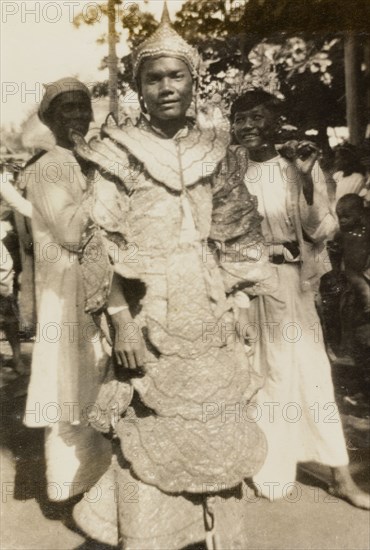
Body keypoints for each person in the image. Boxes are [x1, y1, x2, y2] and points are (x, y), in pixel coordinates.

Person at [71, 6, 274, 549]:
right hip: (147, 317)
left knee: (219, 426)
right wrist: (121, 321)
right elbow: (100, 245)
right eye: (153, 77)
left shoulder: (219, 153)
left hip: (209, 315)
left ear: (194, 80)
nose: (165, 87)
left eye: (176, 75)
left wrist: (243, 310)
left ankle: (219, 541)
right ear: (137, 86)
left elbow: (235, 238)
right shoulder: (118, 152)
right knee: (147, 431)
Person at [231, 89, 370, 509]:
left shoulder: (297, 167)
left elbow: (323, 229)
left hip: (291, 285)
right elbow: (220, 236)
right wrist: (235, 296)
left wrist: (308, 177)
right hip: (244, 284)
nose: (250, 126)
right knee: (259, 373)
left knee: (310, 373)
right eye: (241, 118)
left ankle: (340, 476)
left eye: (258, 117)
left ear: (275, 122)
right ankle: (267, 466)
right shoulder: (227, 171)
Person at [21, 77, 112, 501]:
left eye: (82, 107)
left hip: (102, 287)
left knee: (101, 379)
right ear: (51, 118)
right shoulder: (47, 166)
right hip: (66, 291)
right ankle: (69, 488)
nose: (76, 115)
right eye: (66, 109)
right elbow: (73, 233)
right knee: (70, 385)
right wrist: (103, 186)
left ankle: (102, 488)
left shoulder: (91, 160)